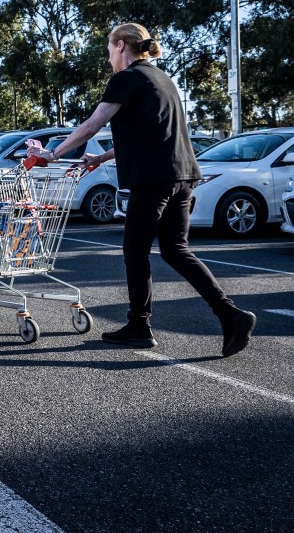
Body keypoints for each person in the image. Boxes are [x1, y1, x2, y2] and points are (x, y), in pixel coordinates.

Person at [28, 23, 256, 357]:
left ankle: (140, 325)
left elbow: (92, 124)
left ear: (121, 45)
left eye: (109, 49)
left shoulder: (126, 78)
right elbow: (149, 133)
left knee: (135, 251)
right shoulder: (161, 78)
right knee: (175, 249)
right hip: (182, 175)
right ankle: (230, 315)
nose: (108, 56)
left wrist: (52, 153)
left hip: (153, 180)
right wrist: (101, 157)